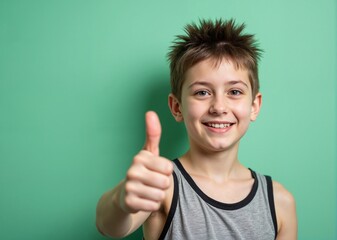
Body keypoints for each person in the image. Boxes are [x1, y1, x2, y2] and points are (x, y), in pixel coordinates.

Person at [96, 19, 297, 240]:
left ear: (254, 105)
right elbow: (109, 226)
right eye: (202, 92)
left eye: (235, 92)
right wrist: (121, 200)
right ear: (176, 107)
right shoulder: (163, 185)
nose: (219, 107)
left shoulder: (279, 202)